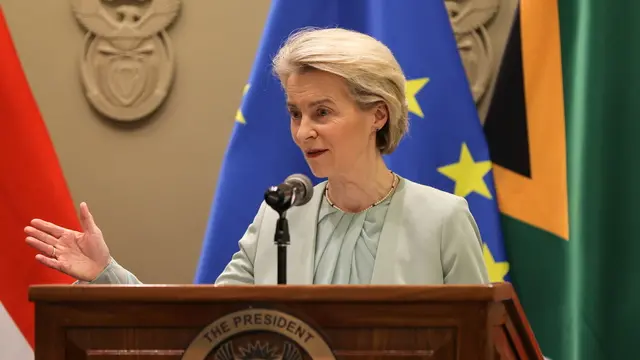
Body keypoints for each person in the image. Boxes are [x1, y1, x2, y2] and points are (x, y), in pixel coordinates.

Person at [24, 27, 489, 286]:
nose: (304, 131)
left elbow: (479, 343)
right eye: (295, 113)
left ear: (378, 116)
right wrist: (108, 275)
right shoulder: (280, 217)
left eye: (322, 112)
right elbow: (207, 328)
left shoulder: (442, 219)